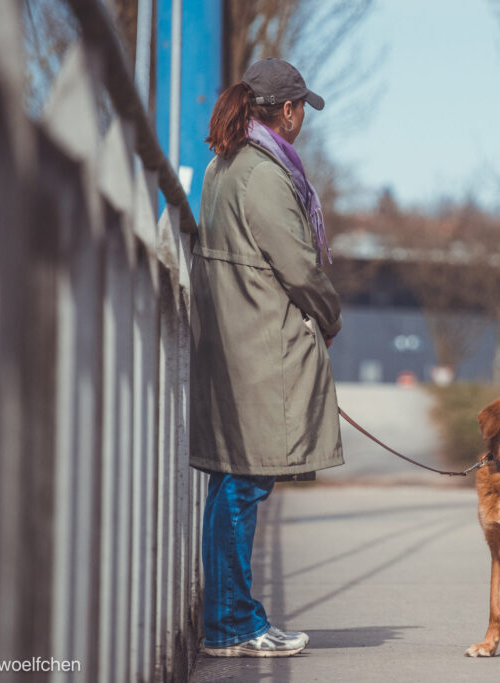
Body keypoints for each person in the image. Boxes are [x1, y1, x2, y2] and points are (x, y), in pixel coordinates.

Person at [191, 58, 343, 657]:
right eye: (301, 107)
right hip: (257, 344)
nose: (304, 117)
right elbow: (299, 265)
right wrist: (330, 316)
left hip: (234, 337)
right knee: (245, 484)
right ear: (286, 110)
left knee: (233, 480)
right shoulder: (264, 174)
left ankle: (232, 616)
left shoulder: (223, 165)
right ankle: (231, 624)